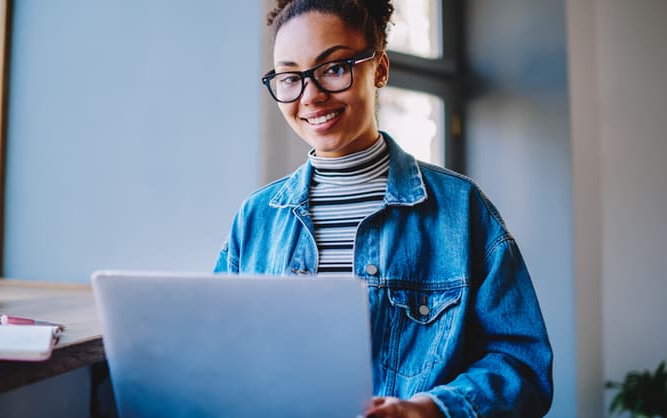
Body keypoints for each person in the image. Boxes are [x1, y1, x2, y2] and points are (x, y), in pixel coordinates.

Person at [214, 0, 553, 416]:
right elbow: (221, 354)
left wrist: (428, 410)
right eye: (290, 77)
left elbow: (523, 365)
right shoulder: (255, 219)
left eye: (334, 68)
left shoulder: (461, 210)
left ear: (380, 68)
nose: (311, 95)